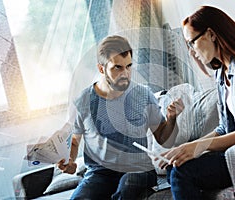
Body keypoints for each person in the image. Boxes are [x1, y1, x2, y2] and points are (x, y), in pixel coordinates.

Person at [157, 6, 235, 200]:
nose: (191, 52)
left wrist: (198, 148)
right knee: (176, 166)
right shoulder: (222, 73)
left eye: (192, 43)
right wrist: (188, 148)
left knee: (182, 173)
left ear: (210, 34)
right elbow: (225, 127)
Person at [57, 35, 184, 200]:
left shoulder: (143, 95)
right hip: (99, 173)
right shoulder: (83, 101)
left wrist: (171, 118)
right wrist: (70, 161)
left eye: (128, 66)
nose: (125, 74)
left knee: (128, 187)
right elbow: (74, 140)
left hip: (138, 169)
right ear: (101, 69)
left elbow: (163, 138)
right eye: (117, 68)